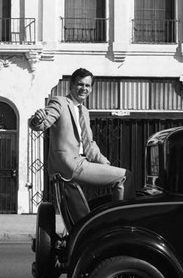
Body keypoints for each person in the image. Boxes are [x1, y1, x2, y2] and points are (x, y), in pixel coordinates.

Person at [29, 68, 134, 201]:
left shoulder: (84, 110)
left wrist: (105, 163)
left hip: (82, 162)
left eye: (87, 85)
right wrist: (37, 119)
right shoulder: (60, 102)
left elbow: (89, 143)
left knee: (117, 175)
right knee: (125, 176)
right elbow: (42, 124)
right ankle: (121, 219)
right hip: (70, 164)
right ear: (71, 85)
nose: (84, 88)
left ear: (91, 89)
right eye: (80, 84)